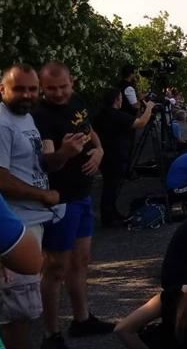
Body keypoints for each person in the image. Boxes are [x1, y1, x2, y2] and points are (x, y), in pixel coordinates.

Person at [0, 64, 73, 349]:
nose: (27, 94)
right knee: (16, 311)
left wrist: (62, 154)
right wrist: (42, 196)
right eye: (19, 89)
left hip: (30, 223)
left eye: (32, 89)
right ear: (2, 89)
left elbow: (27, 165)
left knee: (24, 306)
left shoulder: (24, 117)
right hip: (13, 225)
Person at [33, 62, 115, 346]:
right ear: (42, 88)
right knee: (55, 268)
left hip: (82, 194)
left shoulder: (78, 101)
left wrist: (100, 151)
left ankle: (82, 320)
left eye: (63, 87)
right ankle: (51, 333)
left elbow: (90, 131)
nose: (57, 93)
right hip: (61, 199)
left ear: (73, 82)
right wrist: (65, 153)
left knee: (81, 262)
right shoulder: (40, 115)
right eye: (51, 88)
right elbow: (48, 162)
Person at [93, 88, 153, 226]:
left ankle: (112, 213)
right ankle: (108, 218)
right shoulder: (116, 115)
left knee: (110, 186)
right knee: (111, 187)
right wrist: (149, 108)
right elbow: (141, 123)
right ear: (116, 100)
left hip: (105, 155)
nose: (122, 100)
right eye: (120, 98)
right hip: (115, 156)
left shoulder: (100, 115)